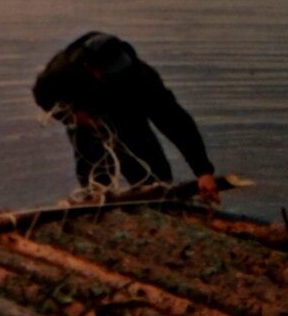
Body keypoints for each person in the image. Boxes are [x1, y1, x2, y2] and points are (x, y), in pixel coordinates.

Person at [32, 32, 219, 203]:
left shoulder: (141, 77)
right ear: (89, 67)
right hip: (87, 119)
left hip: (128, 113)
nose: (117, 75)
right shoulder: (62, 72)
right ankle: (95, 202)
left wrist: (203, 171)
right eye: (108, 72)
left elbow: (175, 121)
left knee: (155, 179)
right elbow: (42, 95)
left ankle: (159, 204)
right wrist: (72, 116)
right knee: (96, 177)